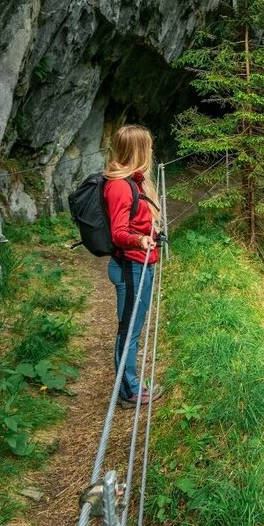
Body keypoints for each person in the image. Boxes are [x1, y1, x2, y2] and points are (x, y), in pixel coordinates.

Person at [103, 124, 164, 409]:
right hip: (131, 267)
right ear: (140, 150)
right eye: (148, 147)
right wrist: (140, 240)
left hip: (142, 265)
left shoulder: (134, 181)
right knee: (129, 331)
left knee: (134, 327)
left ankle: (131, 383)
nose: (151, 151)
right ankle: (128, 391)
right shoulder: (119, 186)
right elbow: (118, 232)